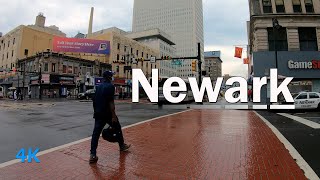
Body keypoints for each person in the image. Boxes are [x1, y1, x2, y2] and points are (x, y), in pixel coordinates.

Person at [89, 70, 131, 164]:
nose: (112, 77)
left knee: (95, 134)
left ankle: (92, 155)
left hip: (98, 114)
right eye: (111, 76)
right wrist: (113, 116)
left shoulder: (98, 87)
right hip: (107, 114)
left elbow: (94, 101)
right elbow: (111, 102)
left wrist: (96, 112)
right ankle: (122, 146)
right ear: (109, 77)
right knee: (117, 127)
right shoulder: (111, 86)